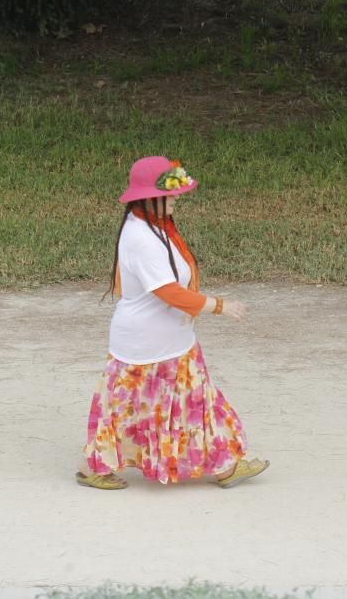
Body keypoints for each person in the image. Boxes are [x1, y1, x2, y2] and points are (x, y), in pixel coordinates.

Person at [76, 155, 269, 490]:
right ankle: (94, 468)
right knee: (124, 408)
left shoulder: (157, 229)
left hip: (172, 342)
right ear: (148, 197)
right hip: (144, 345)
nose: (178, 197)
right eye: (172, 193)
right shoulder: (142, 237)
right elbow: (168, 292)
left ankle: (226, 464)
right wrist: (219, 306)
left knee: (200, 401)